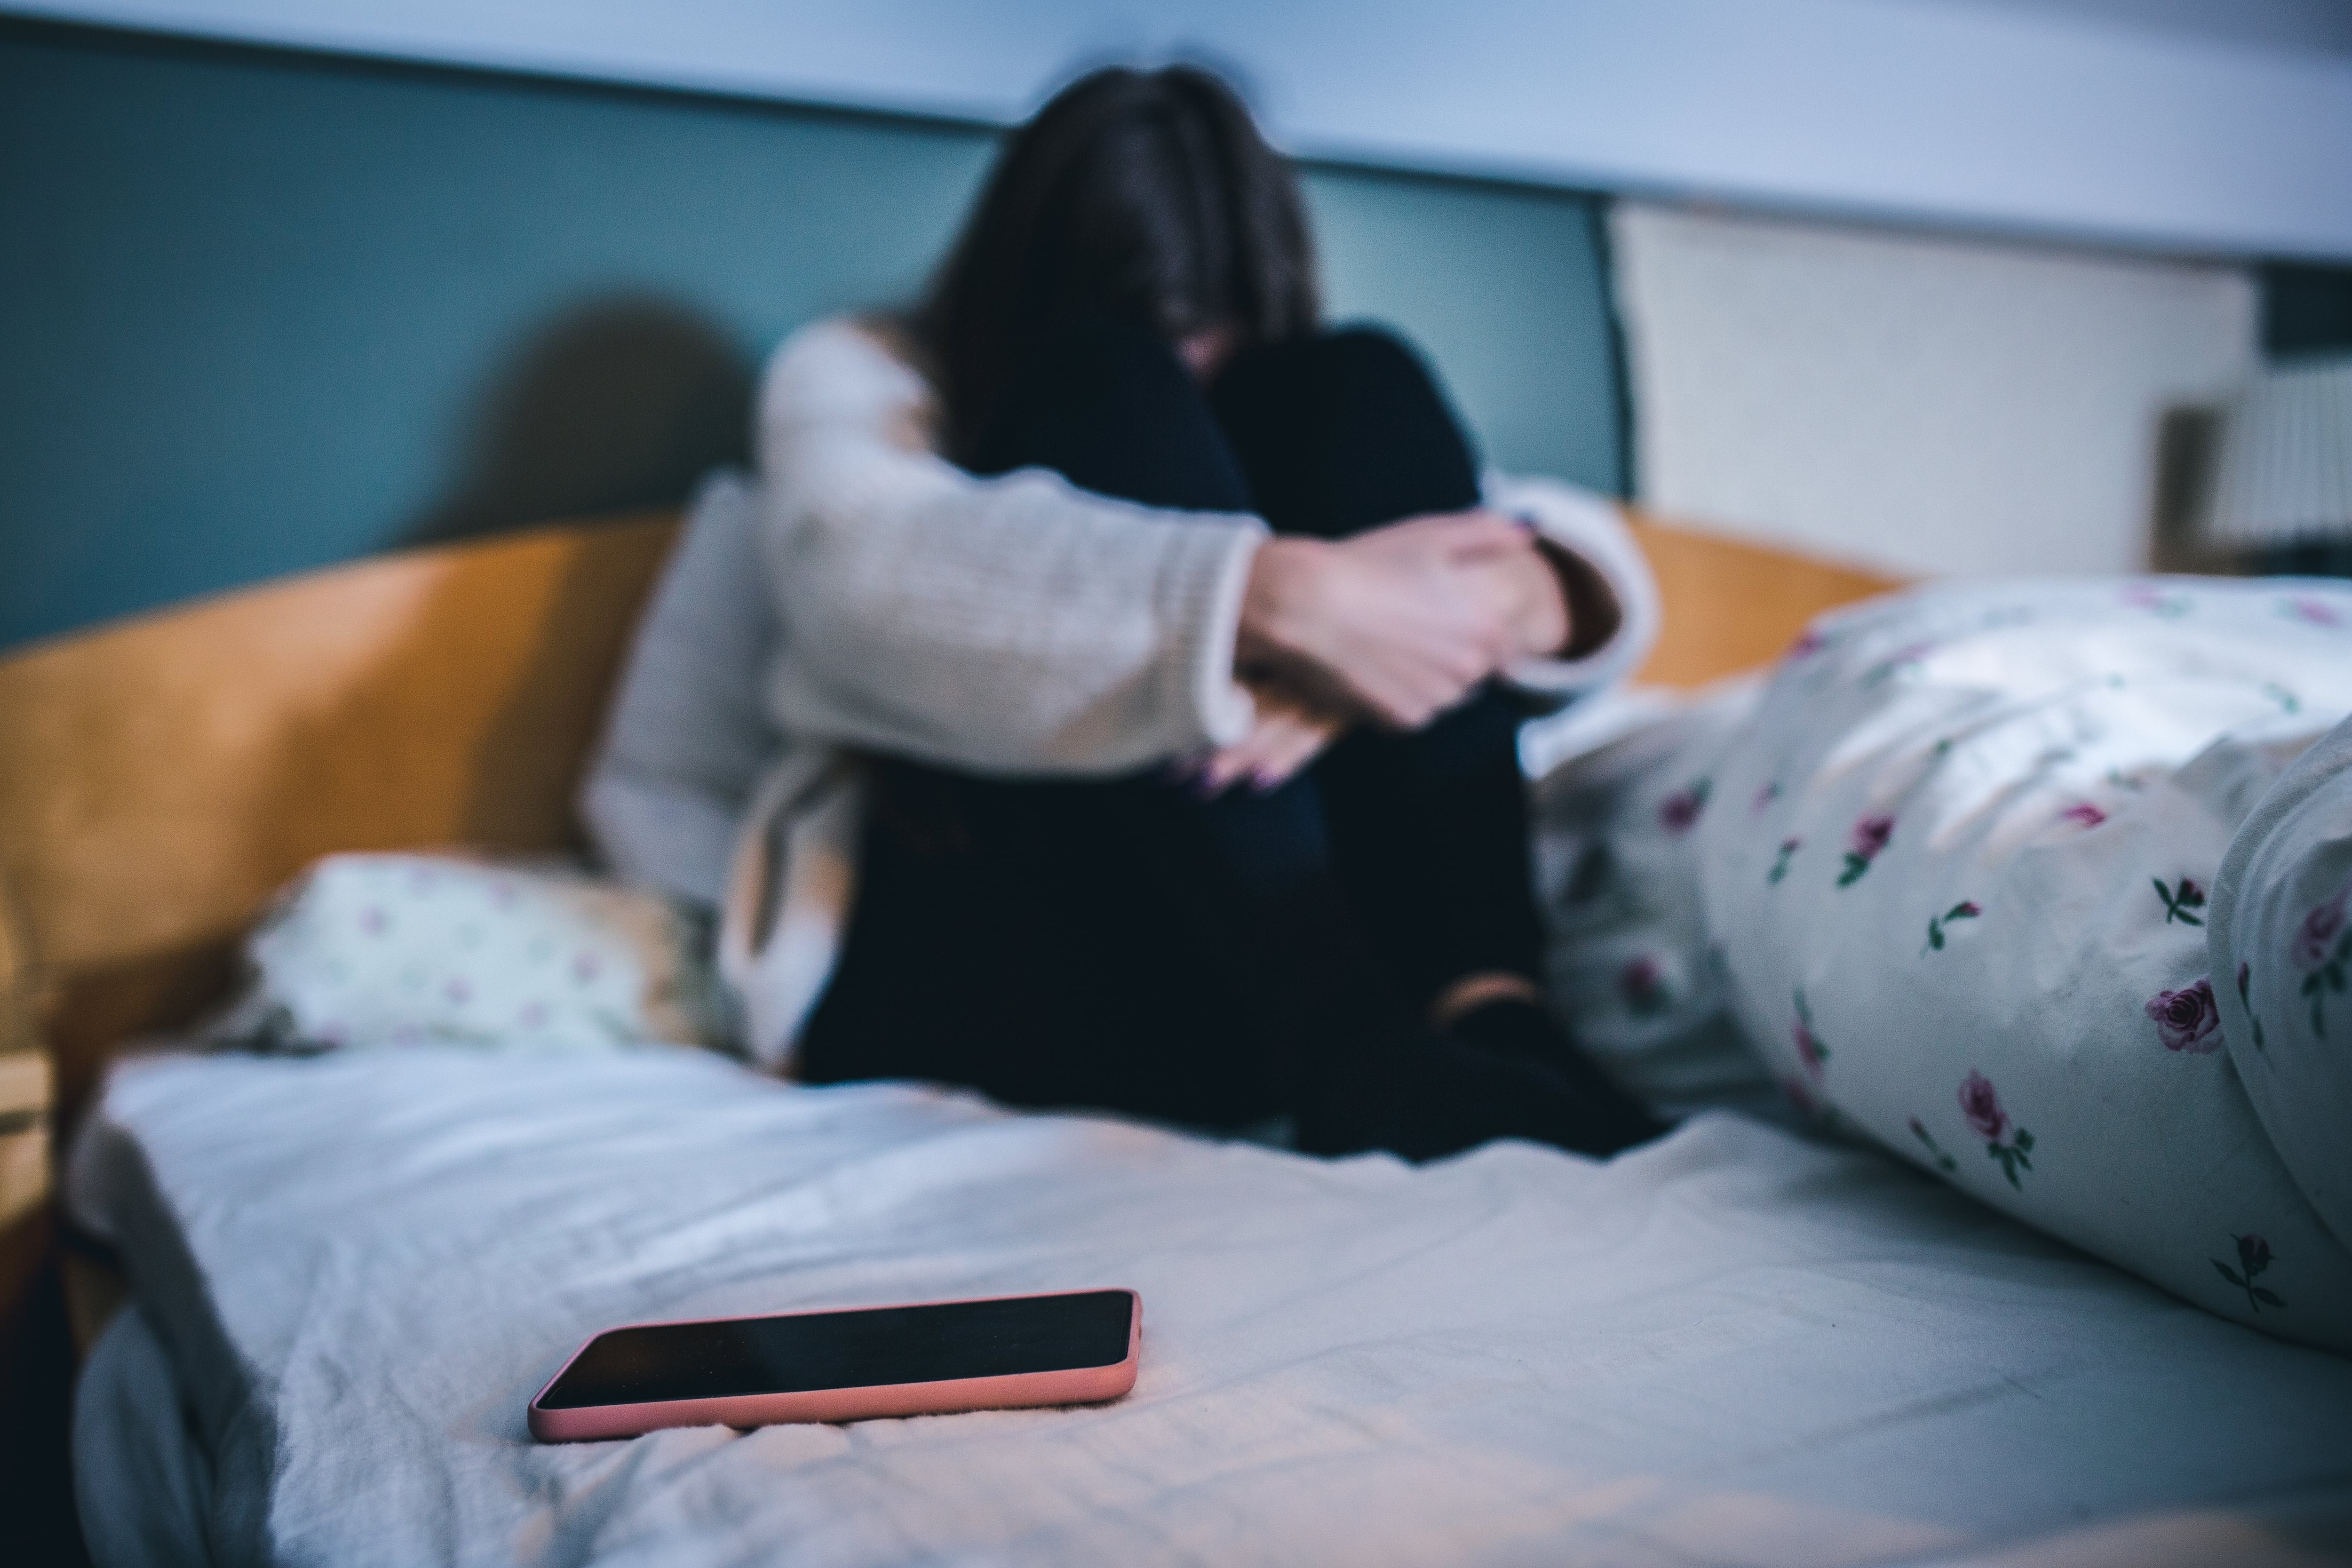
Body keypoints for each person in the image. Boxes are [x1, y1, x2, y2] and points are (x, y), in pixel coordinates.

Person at [683, 66, 1667, 1159]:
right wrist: (1276, 602)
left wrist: (1427, 618)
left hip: (1269, 980)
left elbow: (1562, 561)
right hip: (1001, 963)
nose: (1194, 368)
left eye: (1218, 334)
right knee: (1103, 389)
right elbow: (860, 583)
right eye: (1170, 334)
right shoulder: (862, 371)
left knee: (1363, 382)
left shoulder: (1296, 396)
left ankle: (1494, 1014)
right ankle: (1354, 1048)